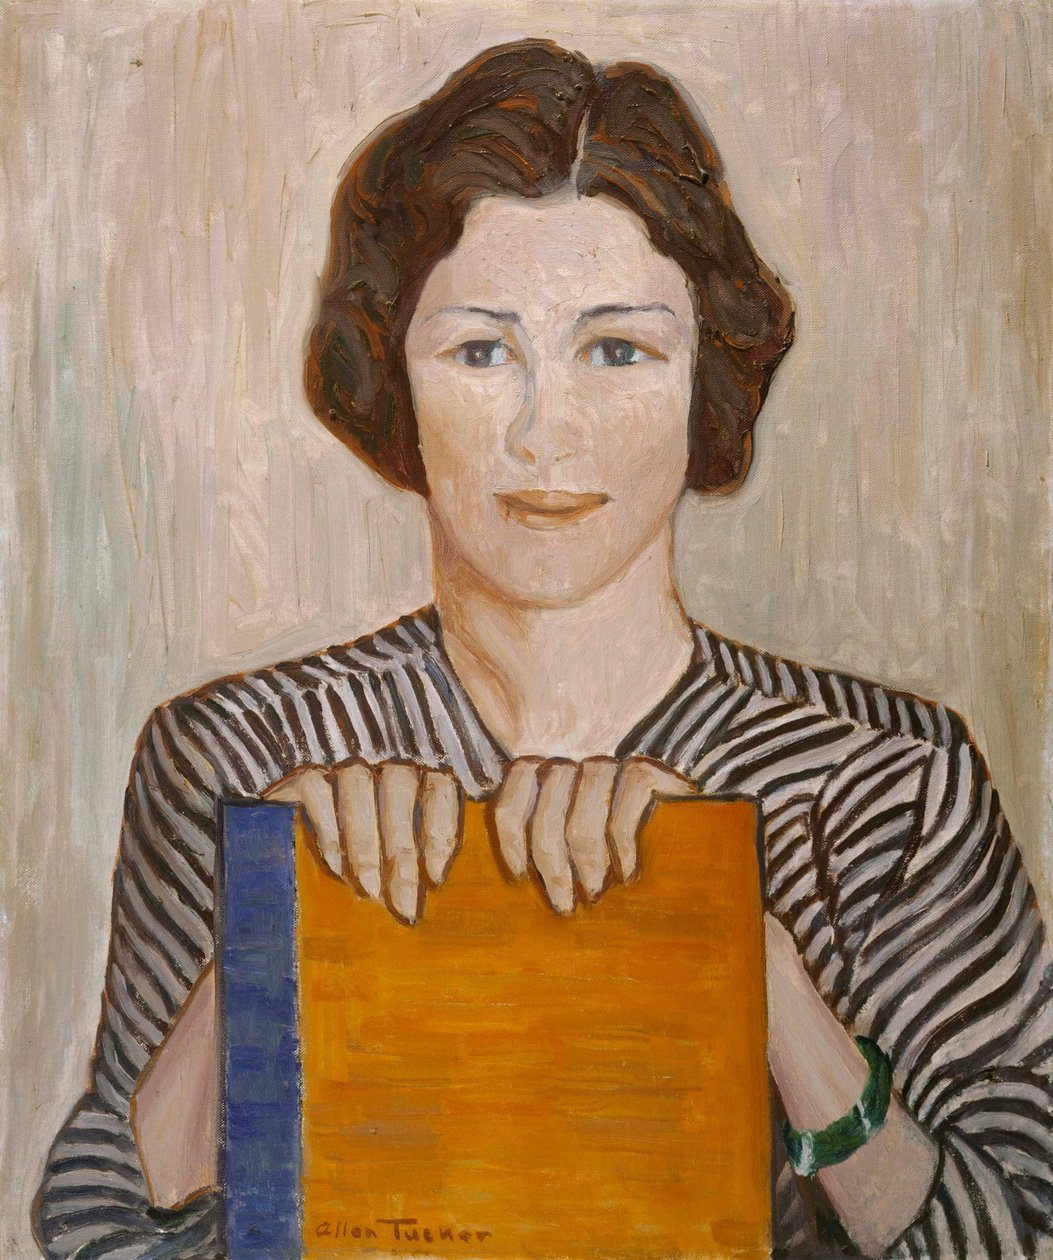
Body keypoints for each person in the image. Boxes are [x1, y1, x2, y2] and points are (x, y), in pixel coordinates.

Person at [33, 38, 1052, 1260]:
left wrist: (749, 961)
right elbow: (100, 1232)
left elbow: (1017, 1230)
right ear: (392, 375)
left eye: (618, 350)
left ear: (704, 381)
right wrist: (266, 926)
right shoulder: (238, 755)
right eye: (481, 351)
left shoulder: (889, 778)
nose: (544, 429)